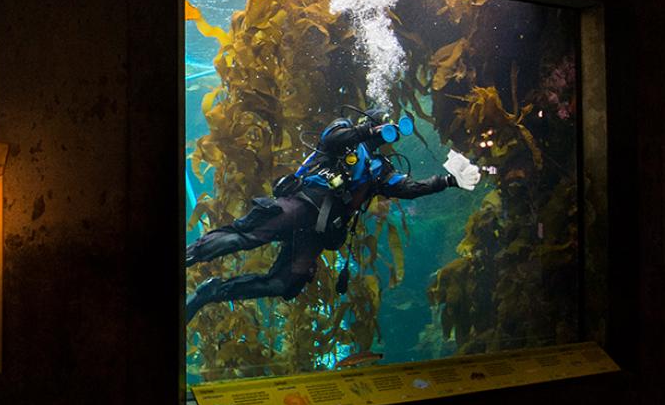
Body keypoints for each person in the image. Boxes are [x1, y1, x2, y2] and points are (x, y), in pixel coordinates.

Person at [185, 106, 480, 323]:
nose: (384, 133)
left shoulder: (379, 169)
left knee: (285, 283)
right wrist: (367, 131)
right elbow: (333, 138)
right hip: (301, 204)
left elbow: (408, 187)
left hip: (320, 231)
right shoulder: (344, 133)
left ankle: (210, 293)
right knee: (244, 238)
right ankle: (186, 256)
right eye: (380, 126)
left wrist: (448, 181)